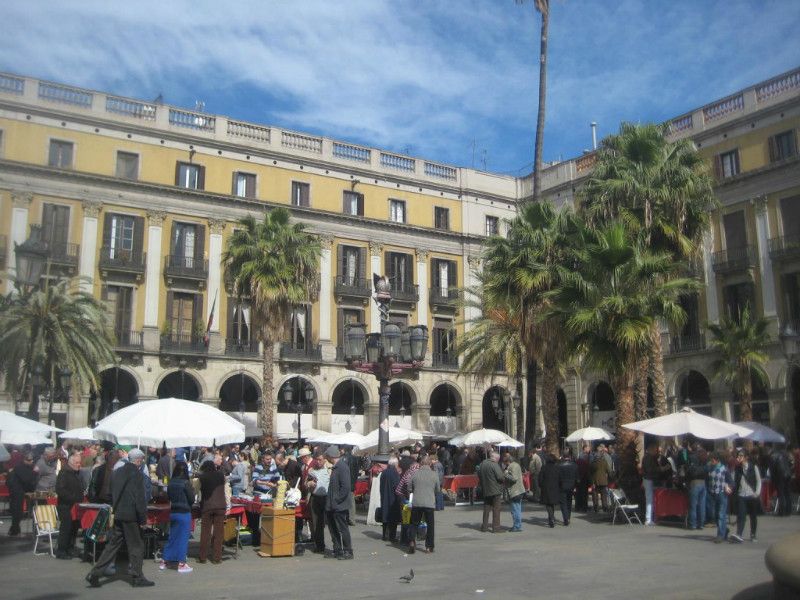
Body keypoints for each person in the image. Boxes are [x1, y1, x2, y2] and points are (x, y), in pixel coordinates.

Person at [85, 448, 154, 588]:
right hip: (131, 516)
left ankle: (95, 573)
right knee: (136, 546)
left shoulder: (116, 473)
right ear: (139, 460)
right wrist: (142, 519)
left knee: (112, 545)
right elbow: (140, 499)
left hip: (118, 514)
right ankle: (137, 576)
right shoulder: (137, 474)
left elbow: (109, 495)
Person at [161, 461, 194, 572]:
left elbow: (168, 496)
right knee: (183, 539)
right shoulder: (186, 483)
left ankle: (165, 561)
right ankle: (181, 563)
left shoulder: (171, 482)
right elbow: (192, 499)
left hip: (173, 512)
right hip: (184, 512)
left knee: (172, 537)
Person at [324, 445, 353, 559]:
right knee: (333, 527)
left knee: (342, 528)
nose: (326, 458)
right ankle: (337, 549)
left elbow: (345, 487)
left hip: (339, 505)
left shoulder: (342, 467)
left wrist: (337, 500)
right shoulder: (336, 467)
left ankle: (348, 550)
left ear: (331, 456)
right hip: (332, 504)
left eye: (327, 456)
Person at [55, 453, 84, 559]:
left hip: (75, 506)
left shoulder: (76, 473)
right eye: (77, 463)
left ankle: (70, 548)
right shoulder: (64, 473)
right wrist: (73, 497)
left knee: (74, 528)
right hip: (66, 506)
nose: (79, 464)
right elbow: (60, 490)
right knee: (66, 528)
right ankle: (61, 550)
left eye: (80, 462)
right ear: (71, 463)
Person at [197, 459, 226, 564]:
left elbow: (199, 489)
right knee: (218, 533)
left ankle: (202, 557)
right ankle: (217, 558)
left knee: (205, 532)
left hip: (207, 506)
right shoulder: (220, 475)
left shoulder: (203, 477)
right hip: (220, 505)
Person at [730, 449, 762, 543]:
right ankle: (739, 534)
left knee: (753, 515)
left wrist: (757, 492)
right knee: (741, 515)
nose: (738, 457)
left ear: (746, 457)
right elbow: (732, 478)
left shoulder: (753, 467)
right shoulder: (737, 468)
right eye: (738, 456)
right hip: (741, 495)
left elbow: (759, 480)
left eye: (741, 456)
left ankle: (753, 534)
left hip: (752, 495)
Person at [409, 456, 439, 553]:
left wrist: (415, 490)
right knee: (430, 525)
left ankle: (412, 541)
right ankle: (429, 547)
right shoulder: (434, 474)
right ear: (430, 464)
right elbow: (438, 489)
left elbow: (409, 487)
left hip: (417, 502)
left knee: (414, 523)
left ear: (421, 463)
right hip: (429, 503)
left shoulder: (415, 474)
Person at [7, 452, 38, 536]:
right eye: (29, 460)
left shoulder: (27, 466)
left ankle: (15, 529)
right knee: (17, 511)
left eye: (32, 460)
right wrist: (34, 472)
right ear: (24, 460)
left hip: (21, 490)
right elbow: (26, 479)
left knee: (18, 511)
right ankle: (14, 529)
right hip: (16, 491)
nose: (31, 461)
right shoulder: (19, 467)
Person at [306, 452, 331, 554]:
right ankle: (319, 545)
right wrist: (309, 483)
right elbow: (305, 483)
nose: (318, 461)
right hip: (315, 498)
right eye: (316, 459)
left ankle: (337, 545)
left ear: (325, 459)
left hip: (327, 498)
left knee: (329, 523)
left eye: (320, 459)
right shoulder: (311, 470)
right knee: (316, 523)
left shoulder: (330, 469)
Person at [707, 452, 733, 544]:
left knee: (721, 514)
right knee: (716, 514)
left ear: (717, 460)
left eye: (713, 460)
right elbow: (709, 480)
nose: (711, 461)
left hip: (722, 493)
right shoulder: (710, 468)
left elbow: (730, 481)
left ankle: (720, 535)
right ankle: (724, 530)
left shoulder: (724, 469)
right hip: (713, 494)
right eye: (711, 460)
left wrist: (727, 486)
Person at [642, 444, 669, 525]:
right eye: (655, 450)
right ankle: (648, 519)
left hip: (649, 479)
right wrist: (662, 469)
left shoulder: (648, 457)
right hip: (648, 479)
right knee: (649, 500)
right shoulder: (648, 458)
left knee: (651, 499)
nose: (656, 452)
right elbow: (650, 469)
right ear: (651, 450)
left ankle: (651, 518)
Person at [478, 451, 505, 533]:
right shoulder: (494, 465)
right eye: (498, 459)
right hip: (495, 490)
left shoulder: (482, 464)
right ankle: (496, 528)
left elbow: (479, 474)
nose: (498, 461)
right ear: (495, 458)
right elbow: (500, 477)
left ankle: (484, 526)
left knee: (486, 509)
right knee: (496, 509)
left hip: (486, 489)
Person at [379, 456, 402, 542]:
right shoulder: (395, 473)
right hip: (393, 497)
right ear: (395, 464)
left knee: (385, 515)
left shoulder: (384, 472)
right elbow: (397, 487)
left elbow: (381, 485)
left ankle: (385, 535)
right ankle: (392, 536)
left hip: (384, 496)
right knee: (393, 517)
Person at [686, 442, 708, 530]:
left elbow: (690, 471)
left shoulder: (692, 457)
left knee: (693, 505)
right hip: (703, 482)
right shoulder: (705, 458)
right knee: (702, 504)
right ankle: (701, 523)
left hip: (694, 482)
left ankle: (693, 524)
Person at [502, 453, 525, 532]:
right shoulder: (516, 465)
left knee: (515, 509)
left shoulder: (512, 466)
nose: (504, 464)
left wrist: (506, 474)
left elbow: (514, 478)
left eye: (505, 462)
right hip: (519, 490)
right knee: (517, 508)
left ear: (507, 461)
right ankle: (517, 525)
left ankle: (517, 526)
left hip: (515, 491)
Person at [558, 447, 579, 526]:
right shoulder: (574, 465)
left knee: (563, 503)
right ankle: (568, 517)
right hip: (571, 486)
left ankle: (565, 518)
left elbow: (558, 477)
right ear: (569, 456)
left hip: (562, 486)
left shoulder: (559, 465)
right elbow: (577, 477)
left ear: (563, 456)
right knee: (569, 502)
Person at [539, 452, 560, 527]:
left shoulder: (544, 467)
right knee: (552, 503)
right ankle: (551, 517)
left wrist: (541, 485)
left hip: (546, 488)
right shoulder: (557, 467)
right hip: (555, 488)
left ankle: (551, 518)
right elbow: (559, 478)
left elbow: (540, 478)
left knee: (548, 504)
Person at [590, 445, 611, 513]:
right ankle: (605, 507)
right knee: (603, 495)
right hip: (603, 481)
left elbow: (591, 472)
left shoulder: (593, 463)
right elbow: (608, 470)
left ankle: (596, 508)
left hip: (595, 481)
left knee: (595, 495)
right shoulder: (604, 462)